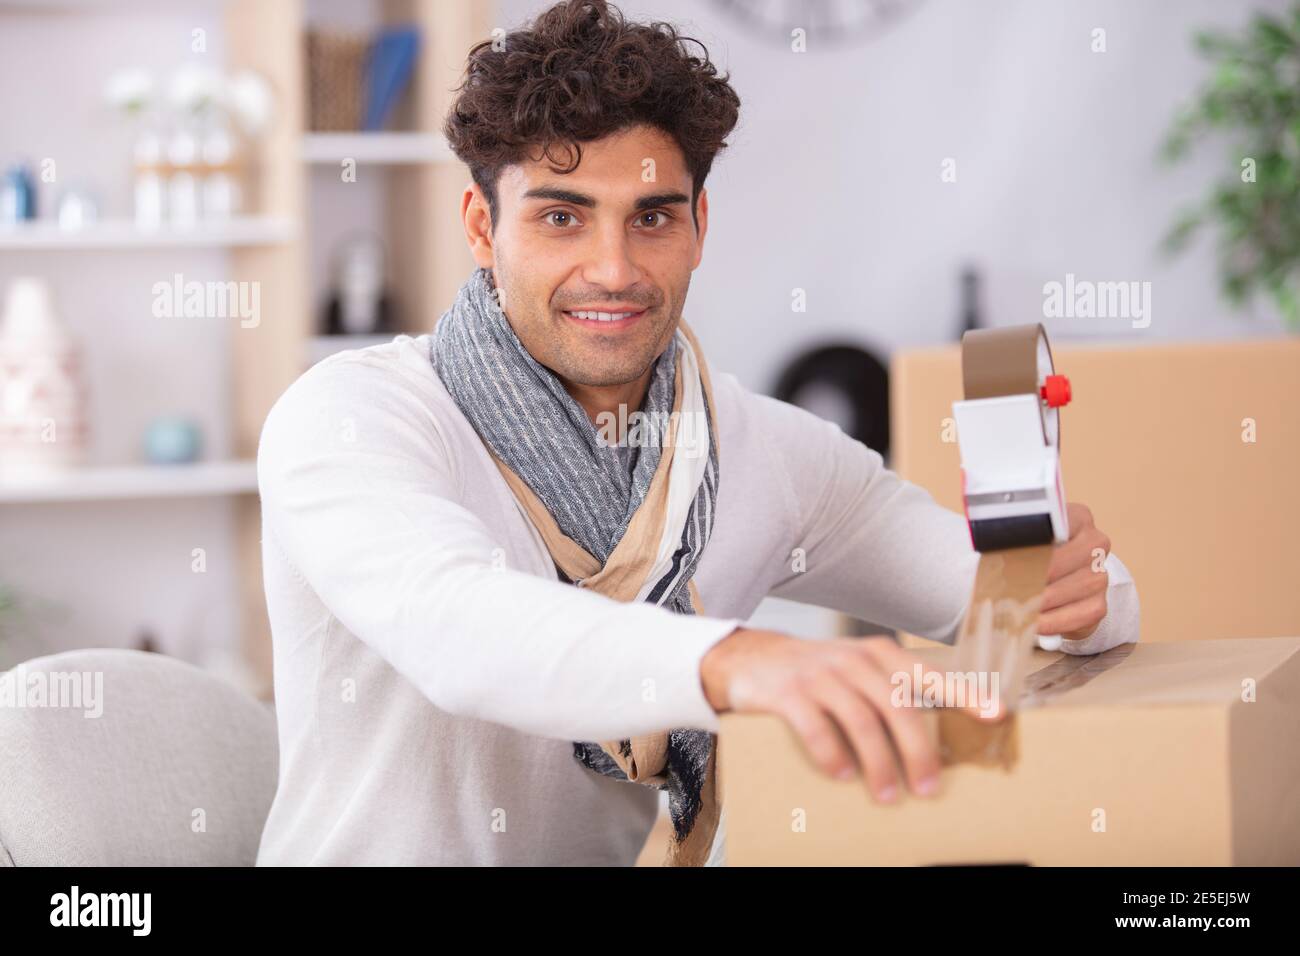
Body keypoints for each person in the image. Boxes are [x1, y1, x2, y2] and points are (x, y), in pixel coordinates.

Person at [254, 0, 1138, 867]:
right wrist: (739, 663)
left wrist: (1070, 589)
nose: (614, 269)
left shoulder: (766, 453)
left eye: (652, 217)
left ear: (698, 227)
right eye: (561, 217)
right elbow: (458, 626)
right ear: (483, 229)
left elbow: (1034, 598)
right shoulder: (352, 418)